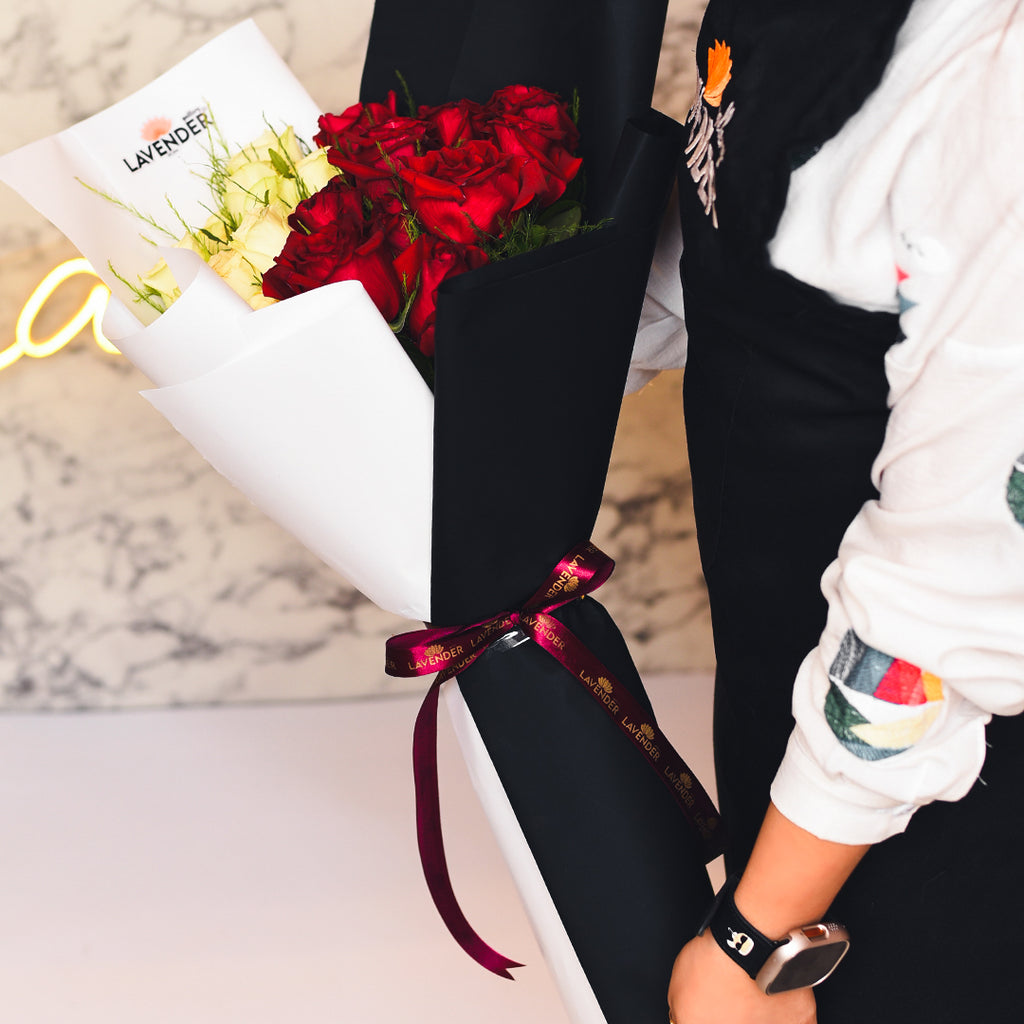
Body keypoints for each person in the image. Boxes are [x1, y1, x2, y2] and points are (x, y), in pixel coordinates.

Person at [631, 1, 1024, 1021]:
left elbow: (964, 579)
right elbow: (748, 264)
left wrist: (757, 938)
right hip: (797, 721)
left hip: (944, 782)